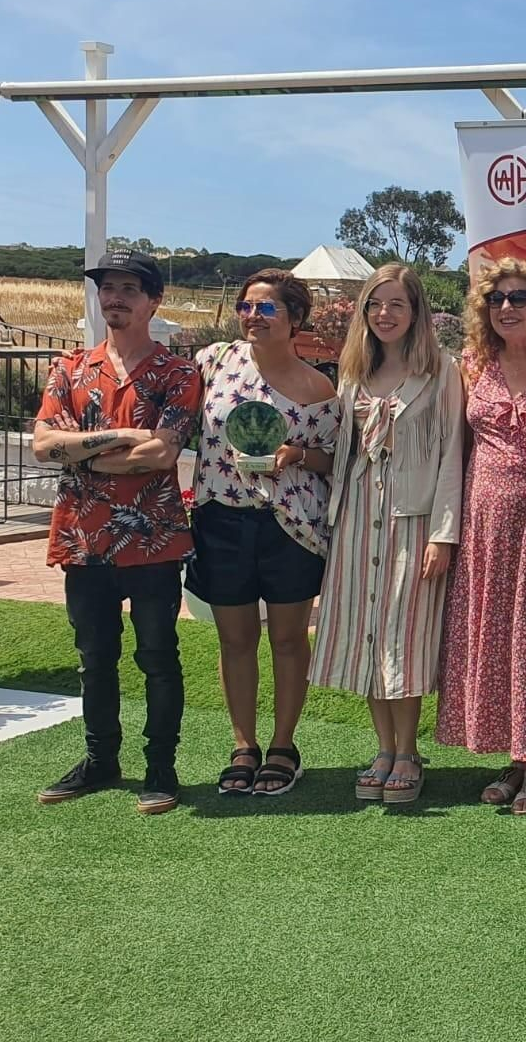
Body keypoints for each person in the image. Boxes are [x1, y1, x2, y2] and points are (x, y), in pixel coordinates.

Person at [32, 252, 201, 814]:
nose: (115, 298)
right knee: (94, 657)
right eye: (108, 289)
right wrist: (123, 438)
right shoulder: (69, 369)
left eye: (130, 288)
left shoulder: (178, 374)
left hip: (153, 538)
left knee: (157, 655)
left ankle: (161, 768)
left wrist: (85, 450)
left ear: (154, 301)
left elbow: (163, 451)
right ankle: (101, 761)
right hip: (84, 540)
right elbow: (42, 445)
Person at [308, 264, 463, 804]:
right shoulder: (353, 373)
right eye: (376, 304)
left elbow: (451, 456)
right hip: (356, 520)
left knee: (405, 635)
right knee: (367, 635)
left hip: (412, 519)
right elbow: (341, 453)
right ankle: (383, 748)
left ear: (416, 312)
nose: (385, 314)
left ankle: (408, 750)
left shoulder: (441, 372)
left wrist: (444, 534)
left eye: (397, 304)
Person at [188, 268, 339, 797]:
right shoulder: (215, 362)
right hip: (221, 517)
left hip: (290, 526)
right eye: (247, 307)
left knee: (288, 639)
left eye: (268, 308)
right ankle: (243, 744)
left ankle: (283, 745)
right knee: (235, 637)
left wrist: (296, 455)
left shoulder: (319, 387)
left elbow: (334, 460)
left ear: (295, 318)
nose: (254, 316)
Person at [436, 258, 526, 815]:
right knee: (492, 636)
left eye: (519, 298)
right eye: (496, 299)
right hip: (484, 523)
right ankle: (514, 757)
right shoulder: (473, 362)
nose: (506, 308)